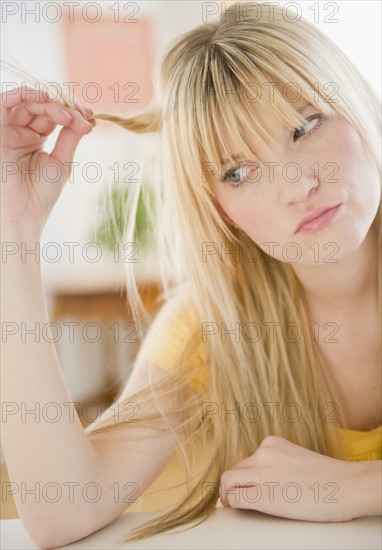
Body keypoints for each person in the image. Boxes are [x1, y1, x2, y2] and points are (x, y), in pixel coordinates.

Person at [1, 2, 381, 547]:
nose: (297, 183)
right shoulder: (214, 324)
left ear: (358, 102)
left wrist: (355, 487)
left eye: (305, 124)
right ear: (220, 208)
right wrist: (14, 231)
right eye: (240, 171)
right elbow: (64, 510)